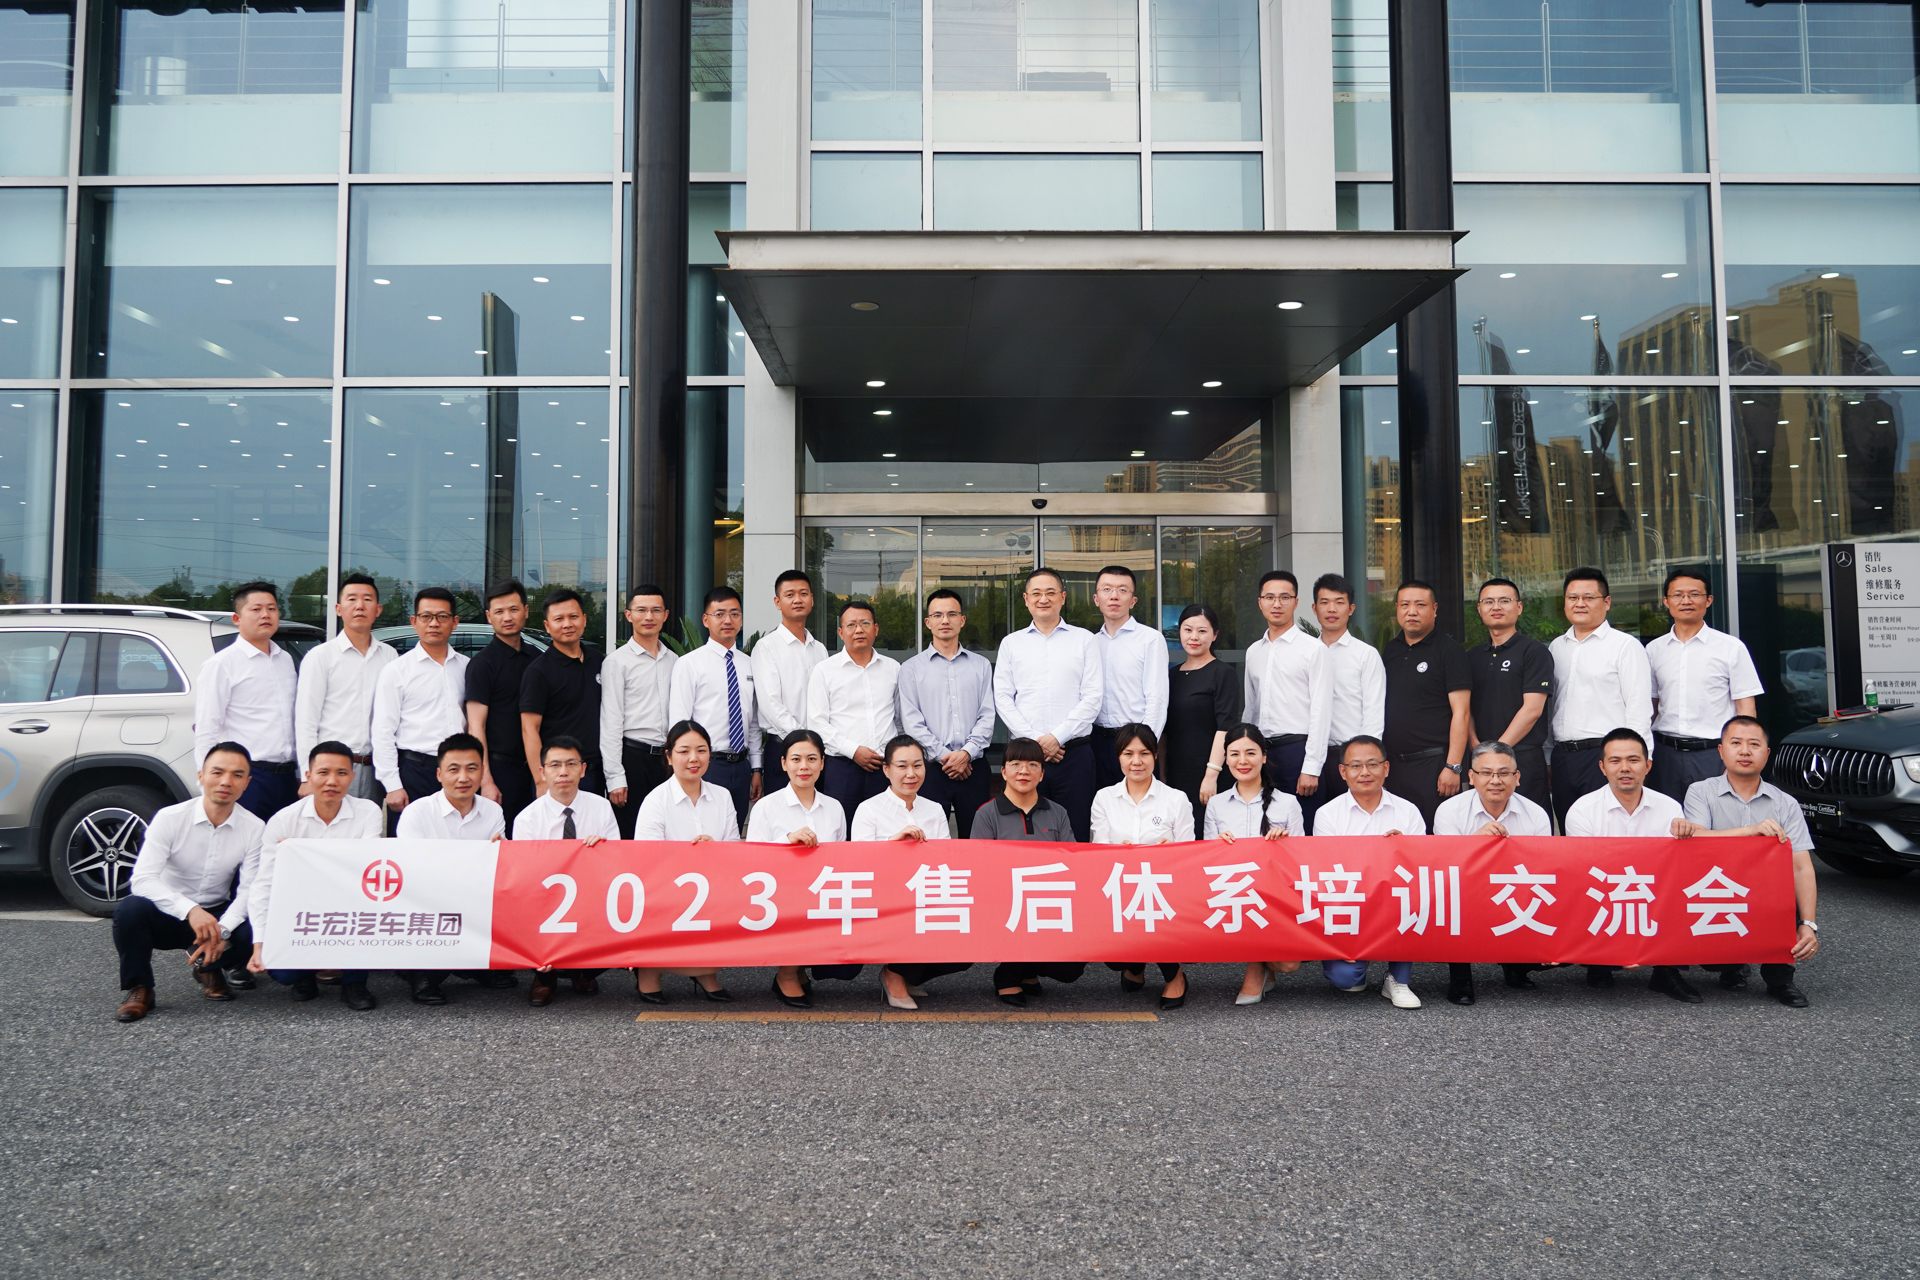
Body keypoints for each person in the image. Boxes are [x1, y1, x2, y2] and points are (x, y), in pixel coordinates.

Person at [112, 743, 263, 1022]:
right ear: (201, 776)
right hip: (169, 913)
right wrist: (191, 910)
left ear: (247, 783)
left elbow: (250, 890)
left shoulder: (254, 828)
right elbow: (142, 879)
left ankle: (207, 967)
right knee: (129, 910)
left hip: (216, 914)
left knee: (257, 927)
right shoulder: (170, 818)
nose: (226, 781)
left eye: (237, 775)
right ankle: (140, 987)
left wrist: (223, 930)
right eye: (217, 772)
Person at [1683, 716, 1820, 1007]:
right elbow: (1696, 839)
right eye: (1736, 743)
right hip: (1718, 891)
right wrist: (1750, 831)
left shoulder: (1785, 803)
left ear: (1767, 754)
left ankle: (1780, 980)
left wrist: (1808, 924)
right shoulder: (1700, 791)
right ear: (1721, 751)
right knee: (1717, 955)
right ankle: (1731, 965)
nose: (1745, 751)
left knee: (1785, 896)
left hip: (1765, 892)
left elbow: (1801, 866)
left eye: (1754, 745)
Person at [1563, 728, 1703, 1001]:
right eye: (1615, 761)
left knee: (1681, 886)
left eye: (1633, 760)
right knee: (1584, 889)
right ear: (1602, 767)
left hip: (1653, 892)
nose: (1624, 768)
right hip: (1603, 891)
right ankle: (1599, 961)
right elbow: (1584, 872)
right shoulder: (1582, 810)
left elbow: (1672, 870)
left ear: (1648, 765)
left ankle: (1667, 971)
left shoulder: (1669, 807)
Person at [246, 740, 384, 1012]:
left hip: (350, 901)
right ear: (308, 776)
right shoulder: (283, 820)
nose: (332, 781)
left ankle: (355, 981)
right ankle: (304, 974)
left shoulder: (368, 812)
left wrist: (300, 853)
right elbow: (264, 885)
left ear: (352, 776)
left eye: (341, 773)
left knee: (369, 901)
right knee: (282, 973)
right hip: (301, 905)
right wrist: (259, 943)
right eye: (323, 772)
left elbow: (365, 869)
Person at [850, 735, 969, 1011]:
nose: (911, 774)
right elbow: (858, 862)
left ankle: (903, 972)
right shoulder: (868, 809)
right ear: (886, 769)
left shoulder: (935, 809)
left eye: (917, 765)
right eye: (902, 766)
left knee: (964, 949)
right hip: (884, 896)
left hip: (927, 893)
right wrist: (892, 843)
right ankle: (896, 974)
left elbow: (945, 860)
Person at [1432, 740, 1554, 1005]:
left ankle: (1516, 965)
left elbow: (1544, 870)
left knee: (1559, 954)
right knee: (1451, 899)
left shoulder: (1536, 815)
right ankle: (1461, 978)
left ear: (1517, 777)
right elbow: (1444, 867)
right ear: (1471, 777)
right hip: (1465, 891)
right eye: (1486, 773)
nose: (1495, 781)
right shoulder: (1449, 810)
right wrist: (1476, 842)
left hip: (1515, 892)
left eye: (1503, 773)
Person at [1308, 735, 1425, 1010]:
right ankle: (1361, 957)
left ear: (1386, 768)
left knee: (1412, 897)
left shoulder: (1408, 811)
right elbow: (1328, 875)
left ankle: (1398, 978)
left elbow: (1423, 870)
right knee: (1346, 979)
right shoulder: (1327, 814)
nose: (1365, 772)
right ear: (1342, 771)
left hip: (1394, 902)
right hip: (1349, 903)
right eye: (1356, 765)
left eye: (1372, 764)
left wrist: (1405, 850)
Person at [967, 737, 1080, 1008]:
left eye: (1032, 765)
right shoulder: (986, 814)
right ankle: (1007, 975)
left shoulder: (1057, 812)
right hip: (1006, 903)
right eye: (1015, 764)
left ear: (1042, 773)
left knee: (1071, 970)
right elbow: (979, 869)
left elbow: (1073, 863)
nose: (1023, 771)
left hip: (1049, 902)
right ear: (1003, 771)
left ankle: (1026, 969)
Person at [1088, 723, 1195, 1009]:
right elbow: (1099, 849)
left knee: (1151, 906)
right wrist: (1118, 853)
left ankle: (1174, 975)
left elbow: (1190, 853)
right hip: (1119, 886)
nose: (1137, 761)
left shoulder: (1176, 799)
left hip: (1164, 889)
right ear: (1118, 757)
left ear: (1156, 755)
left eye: (1144, 753)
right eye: (1128, 753)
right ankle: (1135, 964)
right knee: (1113, 957)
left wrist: (1170, 852)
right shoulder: (1104, 798)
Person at [393, 733, 505, 1005]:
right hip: (429, 901)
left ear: (482, 772)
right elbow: (412, 873)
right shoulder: (417, 812)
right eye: (454, 769)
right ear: (439, 774)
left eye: (472, 768)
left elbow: (496, 867)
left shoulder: (493, 811)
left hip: (475, 896)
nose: (463, 778)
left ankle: (472, 964)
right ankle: (422, 972)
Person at [631, 720, 738, 1005]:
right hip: (666, 887)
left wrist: (714, 851)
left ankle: (705, 971)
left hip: (714, 883)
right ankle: (650, 969)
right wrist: (688, 859)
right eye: (684, 751)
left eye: (701, 750)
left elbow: (734, 850)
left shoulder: (722, 796)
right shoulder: (656, 800)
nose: (694, 758)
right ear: (668, 756)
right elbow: (646, 860)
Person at [994, 567, 1104, 840]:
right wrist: (1037, 743)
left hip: (1074, 756)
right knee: (1026, 833)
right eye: (1036, 593)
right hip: (1026, 758)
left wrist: (1057, 738)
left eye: (1051, 592)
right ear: (1026, 599)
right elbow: (1003, 698)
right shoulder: (1011, 643)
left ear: (1063, 597)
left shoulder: (1085, 640)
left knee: (1076, 831)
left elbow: (1093, 697)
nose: (1043, 599)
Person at [510, 735, 618, 1007]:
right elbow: (526, 878)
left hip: (592, 895)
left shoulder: (601, 807)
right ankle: (544, 978)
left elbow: (616, 863)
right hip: (546, 901)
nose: (563, 772)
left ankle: (583, 972)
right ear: (542, 771)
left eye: (571, 764)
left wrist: (602, 850)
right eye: (555, 765)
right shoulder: (527, 819)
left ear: (583, 769)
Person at [1203, 723, 1305, 1006]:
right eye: (1234, 754)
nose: (1242, 761)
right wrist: (1217, 846)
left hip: (1276, 895)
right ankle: (1257, 967)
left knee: (1288, 964)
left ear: (1264, 756)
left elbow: (1302, 861)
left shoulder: (1287, 803)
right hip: (1232, 893)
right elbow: (1206, 863)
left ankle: (1259, 964)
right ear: (1225, 759)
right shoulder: (1216, 804)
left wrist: (1284, 845)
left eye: (1250, 753)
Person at [745, 729, 848, 1010]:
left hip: (823, 891)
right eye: (796, 759)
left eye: (812, 759)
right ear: (783, 763)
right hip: (776, 892)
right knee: (800, 905)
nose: (804, 766)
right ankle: (787, 973)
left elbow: (840, 858)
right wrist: (787, 841)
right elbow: (752, 860)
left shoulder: (835, 807)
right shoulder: (766, 806)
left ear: (823, 763)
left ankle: (799, 967)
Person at [1647, 568, 1764, 803]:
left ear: (1708, 600)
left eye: (1694, 594)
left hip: (1713, 755)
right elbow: (1651, 707)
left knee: (1716, 820)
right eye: (1678, 595)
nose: (1686, 601)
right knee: (1667, 821)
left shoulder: (1731, 647)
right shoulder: (1653, 650)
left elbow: (1746, 708)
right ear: (1666, 601)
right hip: (1664, 755)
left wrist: (1738, 756)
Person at [1549, 567, 1653, 828]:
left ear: (1606, 602)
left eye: (1589, 597)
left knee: (1609, 832)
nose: (1579, 603)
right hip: (1563, 757)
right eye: (1573, 597)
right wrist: (1548, 755)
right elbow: (1551, 707)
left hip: (1605, 757)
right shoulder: (1556, 647)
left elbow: (1639, 708)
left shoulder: (1625, 646)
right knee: (1570, 832)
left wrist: (1639, 759)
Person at [194, 581, 299, 821]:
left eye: (272, 608)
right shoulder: (221, 664)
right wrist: (209, 786)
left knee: (284, 842)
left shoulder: (285, 659)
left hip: (287, 777)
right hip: (248, 777)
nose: (266, 615)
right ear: (237, 618)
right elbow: (207, 727)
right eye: (256, 609)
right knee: (244, 842)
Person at [897, 589, 995, 838]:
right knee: (929, 840)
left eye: (952, 614)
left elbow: (987, 715)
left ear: (962, 620)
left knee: (977, 841)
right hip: (931, 769)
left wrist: (966, 753)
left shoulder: (981, 665)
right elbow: (912, 723)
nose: (945, 620)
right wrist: (945, 757)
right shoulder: (911, 669)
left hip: (974, 767)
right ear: (928, 622)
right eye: (937, 615)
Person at [372, 587, 471, 832]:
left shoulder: (467, 667)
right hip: (415, 771)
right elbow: (383, 731)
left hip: (460, 773)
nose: (434, 623)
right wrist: (392, 785)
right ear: (414, 621)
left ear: (455, 622)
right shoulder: (396, 671)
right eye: (426, 616)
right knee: (411, 846)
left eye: (442, 616)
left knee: (459, 841)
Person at [295, 574, 398, 802]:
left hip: (374, 768)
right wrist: (307, 775)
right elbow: (306, 720)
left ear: (378, 609)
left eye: (367, 599)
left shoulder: (389, 656)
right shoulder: (320, 656)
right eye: (352, 599)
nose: (360, 606)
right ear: (338, 609)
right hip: (330, 768)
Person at [1381, 580, 1472, 830]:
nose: (1412, 611)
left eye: (1420, 605)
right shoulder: (1391, 650)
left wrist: (1453, 766)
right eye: (1405, 605)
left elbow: (1462, 712)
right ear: (1397, 609)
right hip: (1394, 766)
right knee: (1399, 835)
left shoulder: (1450, 652)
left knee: (1434, 838)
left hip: (1434, 766)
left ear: (1434, 609)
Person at [667, 586, 761, 828]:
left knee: (733, 834)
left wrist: (756, 767)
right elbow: (680, 723)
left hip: (742, 766)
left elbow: (752, 722)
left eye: (734, 614)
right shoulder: (689, 664)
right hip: (706, 765)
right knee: (702, 832)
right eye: (719, 614)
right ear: (705, 620)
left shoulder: (750, 664)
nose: (727, 620)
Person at [1466, 577, 1554, 815]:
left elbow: (1532, 710)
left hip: (1522, 759)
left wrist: (1497, 753)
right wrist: (1476, 746)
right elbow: (1465, 708)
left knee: (1529, 828)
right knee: (1483, 824)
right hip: (1481, 763)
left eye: (1504, 600)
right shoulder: (1471, 656)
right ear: (1479, 609)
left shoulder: (1534, 652)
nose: (1496, 607)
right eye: (1489, 601)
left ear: (1519, 607)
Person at [1243, 570, 1331, 806]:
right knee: (1264, 822)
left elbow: (1321, 711)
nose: (1277, 604)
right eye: (1269, 597)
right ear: (1260, 602)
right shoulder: (1254, 651)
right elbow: (1250, 709)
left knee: (1303, 823)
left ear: (1296, 602)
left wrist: (1311, 767)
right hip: (1261, 754)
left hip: (1297, 753)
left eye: (1285, 597)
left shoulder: (1314, 649)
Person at [807, 600, 900, 818]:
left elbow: (900, 719)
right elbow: (817, 723)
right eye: (851, 625)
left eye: (865, 623)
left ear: (876, 629)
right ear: (841, 632)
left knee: (887, 829)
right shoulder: (824, 671)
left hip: (885, 768)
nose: (858, 630)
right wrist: (854, 750)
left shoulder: (893, 668)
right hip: (843, 768)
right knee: (842, 830)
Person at [601, 584, 677, 838]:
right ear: (628, 615)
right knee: (632, 835)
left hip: (667, 761)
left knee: (667, 834)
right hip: (633, 759)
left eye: (656, 610)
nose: (648, 617)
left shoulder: (674, 661)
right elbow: (611, 722)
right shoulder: (616, 662)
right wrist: (615, 778)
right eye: (641, 610)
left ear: (665, 615)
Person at [1309, 573, 1384, 830]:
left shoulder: (1365, 655)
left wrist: (1365, 762)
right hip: (1310, 756)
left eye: (1339, 602)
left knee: (1353, 825)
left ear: (1351, 608)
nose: (1332, 609)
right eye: (1325, 602)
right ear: (1314, 608)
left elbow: (1374, 712)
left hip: (1350, 758)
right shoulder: (1305, 653)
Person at [1160, 603, 1242, 830]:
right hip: (1176, 771)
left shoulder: (1223, 673)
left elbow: (1225, 727)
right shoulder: (1171, 675)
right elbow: (1164, 730)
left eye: (1202, 631)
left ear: (1214, 635)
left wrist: (1211, 775)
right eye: (1187, 630)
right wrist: (1163, 775)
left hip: (1209, 771)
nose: (1194, 637)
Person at [465, 579, 540, 827]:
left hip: (538, 768)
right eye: (499, 611)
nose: (507, 617)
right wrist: (486, 780)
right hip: (501, 769)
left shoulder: (538, 658)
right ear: (489, 616)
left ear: (526, 611)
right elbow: (476, 726)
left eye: (513, 609)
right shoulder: (482, 664)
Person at [519, 587, 606, 798]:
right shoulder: (538, 671)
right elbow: (529, 729)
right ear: (547, 626)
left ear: (584, 619)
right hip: (560, 774)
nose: (567, 624)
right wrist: (541, 781)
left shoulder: (598, 661)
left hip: (597, 768)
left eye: (573, 617)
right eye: (559, 619)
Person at [1089, 565, 1169, 791]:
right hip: (1096, 741)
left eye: (1122, 590)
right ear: (1096, 599)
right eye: (1107, 589)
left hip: (1135, 741)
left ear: (1133, 601)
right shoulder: (1090, 643)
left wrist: (1144, 747)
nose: (1114, 596)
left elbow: (1157, 698)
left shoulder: (1150, 639)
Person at [751, 569, 828, 795]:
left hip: (819, 751)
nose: (797, 600)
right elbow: (770, 705)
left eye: (803, 594)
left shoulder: (820, 649)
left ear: (812, 599)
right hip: (783, 749)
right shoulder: (766, 647)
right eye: (790, 594)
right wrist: (804, 741)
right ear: (778, 602)